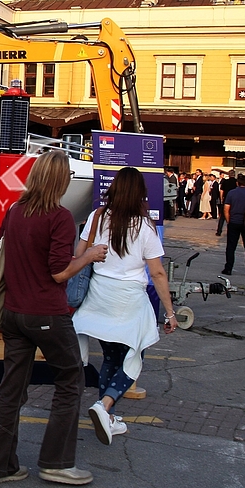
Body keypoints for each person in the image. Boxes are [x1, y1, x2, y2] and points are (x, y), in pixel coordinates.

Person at [0, 151, 108, 487]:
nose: (70, 177)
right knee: (71, 381)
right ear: (59, 179)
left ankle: (0, 466)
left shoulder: (15, 211)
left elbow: (0, 251)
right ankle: (56, 462)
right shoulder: (60, 217)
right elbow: (58, 273)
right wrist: (91, 256)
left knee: (11, 389)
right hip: (47, 314)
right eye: (67, 173)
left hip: (13, 312)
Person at [72, 167, 177, 446]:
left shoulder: (97, 217)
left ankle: (111, 418)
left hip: (98, 296)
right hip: (129, 301)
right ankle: (104, 406)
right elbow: (157, 274)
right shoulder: (144, 227)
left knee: (110, 357)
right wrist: (170, 312)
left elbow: (79, 256)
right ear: (140, 193)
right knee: (134, 357)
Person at [222, 174, 245, 276]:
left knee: (231, 247)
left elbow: (226, 208)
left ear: (237, 183)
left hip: (234, 221)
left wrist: (229, 220)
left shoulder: (232, 193)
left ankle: (228, 268)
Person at [216, 170, 237, 236]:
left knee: (222, 217)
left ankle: (219, 231)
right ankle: (231, 231)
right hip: (234, 201)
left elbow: (221, 191)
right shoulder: (236, 182)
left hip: (226, 200)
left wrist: (221, 198)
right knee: (233, 216)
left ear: (229, 175)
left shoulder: (225, 181)